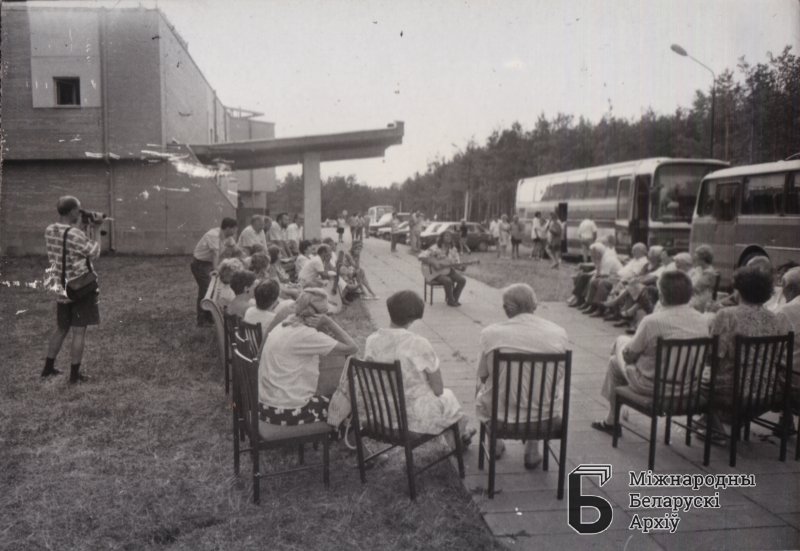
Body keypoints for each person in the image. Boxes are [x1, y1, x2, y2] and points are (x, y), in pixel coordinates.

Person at [592, 271, 709, 437]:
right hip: (688, 387)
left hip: (652, 387)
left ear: (661, 295)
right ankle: (614, 413)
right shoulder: (703, 320)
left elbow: (629, 356)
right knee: (617, 358)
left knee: (616, 354)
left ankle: (612, 418)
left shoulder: (652, 322)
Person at [475, 284, 568, 469]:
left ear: (508, 308)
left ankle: (496, 443)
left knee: (482, 386)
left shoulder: (491, 333)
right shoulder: (559, 333)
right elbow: (558, 377)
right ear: (535, 305)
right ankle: (532, 450)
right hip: (545, 419)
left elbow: (483, 376)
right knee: (540, 386)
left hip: (502, 419)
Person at [365, 290, 472, 442]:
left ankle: (462, 434)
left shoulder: (372, 340)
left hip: (383, 417)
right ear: (413, 316)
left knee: (441, 401)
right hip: (414, 423)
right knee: (447, 396)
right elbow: (438, 389)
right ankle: (459, 437)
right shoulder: (418, 343)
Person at [704, 266, 792, 436]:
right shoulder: (775, 318)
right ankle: (732, 420)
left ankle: (713, 426)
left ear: (739, 290)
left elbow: (712, 355)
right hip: (767, 391)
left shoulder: (727, 315)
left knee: (697, 383)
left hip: (734, 391)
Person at [259, 289, 359, 425]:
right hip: (287, 412)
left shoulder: (284, 325)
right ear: (314, 315)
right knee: (344, 403)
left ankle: (336, 432)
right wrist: (329, 323)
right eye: (325, 313)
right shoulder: (306, 334)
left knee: (332, 398)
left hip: (266, 407)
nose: (327, 316)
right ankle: (339, 434)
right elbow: (352, 347)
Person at [42, 196, 102, 382]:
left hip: (61, 286)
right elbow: (95, 252)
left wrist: (81, 228)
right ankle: (74, 376)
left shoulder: (50, 230)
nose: (80, 212)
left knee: (61, 328)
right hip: (81, 287)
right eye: (78, 209)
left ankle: (48, 368)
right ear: (71, 211)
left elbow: (68, 241)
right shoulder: (75, 234)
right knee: (79, 331)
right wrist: (97, 229)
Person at [192, 217, 238, 326]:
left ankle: (210, 317)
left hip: (208, 263)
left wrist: (244, 260)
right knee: (206, 290)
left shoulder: (228, 237)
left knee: (213, 290)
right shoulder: (213, 235)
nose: (235, 231)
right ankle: (202, 320)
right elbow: (215, 254)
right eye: (234, 229)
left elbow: (236, 249)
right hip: (200, 264)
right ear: (228, 228)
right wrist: (216, 270)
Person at [418, 230, 467, 307]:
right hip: (436, 273)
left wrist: (461, 268)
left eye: (450, 236)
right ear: (442, 238)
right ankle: (451, 300)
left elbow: (456, 263)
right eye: (446, 236)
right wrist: (433, 263)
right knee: (448, 280)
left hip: (449, 271)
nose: (448, 237)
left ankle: (453, 299)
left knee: (462, 280)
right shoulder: (435, 248)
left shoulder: (453, 250)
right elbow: (421, 256)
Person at [688, 245, 718, 313]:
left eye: (697, 258)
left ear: (703, 259)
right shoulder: (700, 269)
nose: (694, 259)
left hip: (701, 301)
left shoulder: (708, 273)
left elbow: (695, 289)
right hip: (696, 298)